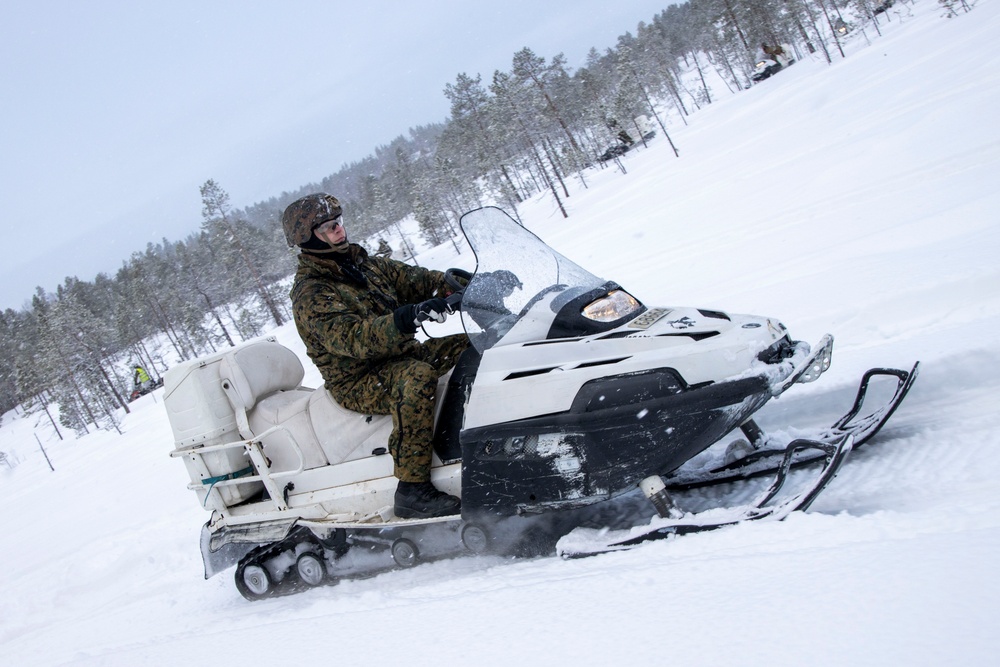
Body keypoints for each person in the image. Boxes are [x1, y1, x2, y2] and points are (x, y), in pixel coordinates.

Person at [281, 193, 469, 519]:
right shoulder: (312, 292)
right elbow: (355, 339)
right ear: (307, 238)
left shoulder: (363, 265)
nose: (338, 231)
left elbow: (417, 281)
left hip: (403, 354)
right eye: (327, 228)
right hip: (359, 378)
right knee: (415, 379)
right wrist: (405, 318)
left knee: (471, 344)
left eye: (338, 223)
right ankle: (412, 489)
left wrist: (462, 284)